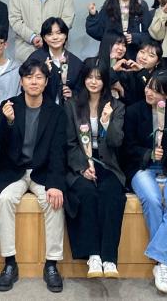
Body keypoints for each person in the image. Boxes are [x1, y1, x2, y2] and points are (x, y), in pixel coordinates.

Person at [0, 60, 67, 294]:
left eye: (39, 77)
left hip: (43, 171)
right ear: (21, 81)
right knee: (4, 199)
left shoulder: (56, 112)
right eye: (29, 77)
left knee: (55, 201)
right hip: (14, 171)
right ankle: (10, 263)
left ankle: (51, 264)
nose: (34, 81)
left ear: (46, 82)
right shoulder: (9, 105)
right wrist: (8, 122)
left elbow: (58, 152)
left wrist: (56, 184)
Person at [123, 71, 167, 293]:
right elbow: (126, 147)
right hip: (142, 168)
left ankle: (161, 261)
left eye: (156, 90)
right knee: (151, 198)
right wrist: (148, 154)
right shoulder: (134, 111)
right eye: (148, 87)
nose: (149, 92)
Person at [63, 61, 126, 279]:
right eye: (90, 77)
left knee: (112, 193)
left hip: (107, 162)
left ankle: (109, 258)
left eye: (99, 78)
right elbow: (70, 143)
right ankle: (93, 255)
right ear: (83, 79)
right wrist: (82, 167)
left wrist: (106, 123)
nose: (93, 82)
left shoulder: (116, 106)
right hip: (80, 161)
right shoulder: (72, 105)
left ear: (105, 81)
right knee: (86, 193)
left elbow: (117, 142)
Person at [86, 0, 150, 61]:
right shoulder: (108, 5)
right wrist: (93, 16)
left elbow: (149, 34)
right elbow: (98, 33)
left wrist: (135, 37)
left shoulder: (141, 6)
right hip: (110, 54)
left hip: (133, 53)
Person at [27, 17, 86, 104]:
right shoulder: (36, 58)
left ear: (65, 35)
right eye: (50, 34)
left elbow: (82, 92)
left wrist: (73, 94)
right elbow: (25, 87)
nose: (55, 37)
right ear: (44, 38)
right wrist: (43, 73)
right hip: (41, 107)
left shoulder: (76, 63)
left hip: (66, 110)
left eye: (59, 33)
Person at [114, 40, 163, 107]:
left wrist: (142, 71)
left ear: (158, 62)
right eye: (142, 52)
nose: (144, 57)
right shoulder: (127, 71)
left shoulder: (161, 76)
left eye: (151, 56)